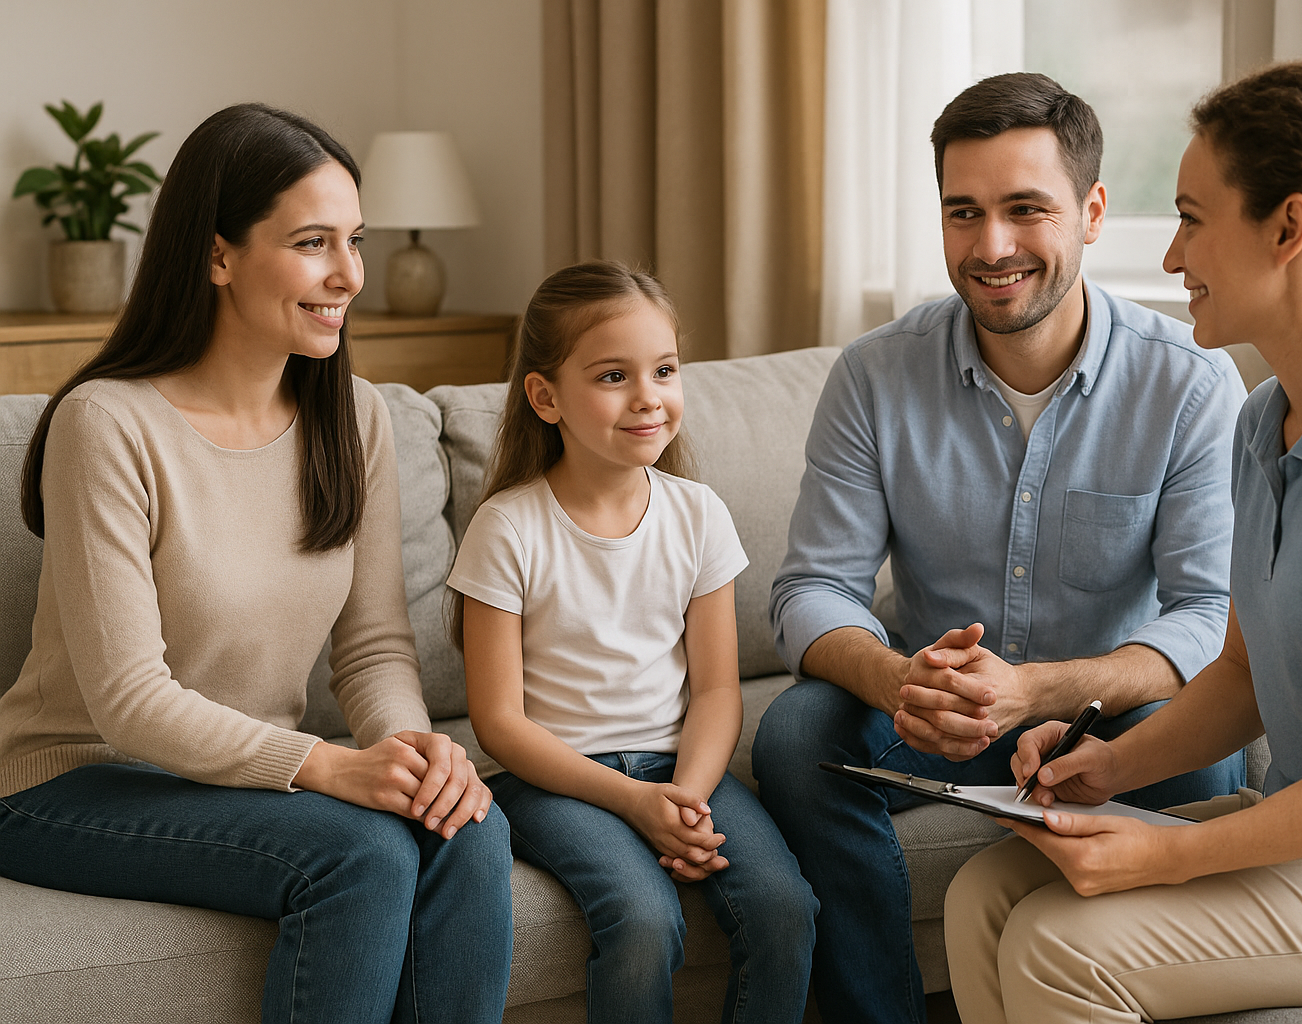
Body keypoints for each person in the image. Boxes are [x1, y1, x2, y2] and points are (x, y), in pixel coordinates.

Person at [945, 59, 1302, 1023]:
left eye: (1189, 217)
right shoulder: (1266, 423)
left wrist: (1174, 850)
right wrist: (1110, 765)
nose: (1173, 258)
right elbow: (1245, 673)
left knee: (1060, 949)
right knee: (986, 893)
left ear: (1288, 229)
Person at [0, 104, 515, 1024]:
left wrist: (410, 747)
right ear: (217, 255)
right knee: (363, 853)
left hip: (233, 780)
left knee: (467, 828)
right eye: (313, 242)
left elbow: (373, 646)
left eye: (354, 240)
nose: (347, 275)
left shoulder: (352, 417)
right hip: (73, 780)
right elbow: (127, 698)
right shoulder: (108, 424)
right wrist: (323, 764)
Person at [753, 72, 1248, 1023]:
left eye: (1027, 210)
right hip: (933, 713)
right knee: (796, 735)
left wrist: (1041, 689)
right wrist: (901, 681)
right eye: (963, 212)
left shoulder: (1190, 386)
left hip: (1107, 713)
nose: (992, 247)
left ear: (1093, 211)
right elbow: (813, 586)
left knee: (1210, 764)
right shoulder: (872, 376)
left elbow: (1210, 616)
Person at [449, 261, 817, 1024]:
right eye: (614, 375)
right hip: (556, 779)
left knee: (785, 908)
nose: (649, 396)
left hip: (679, 767)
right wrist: (634, 801)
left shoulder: (699, 513)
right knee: (645, 922)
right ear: (546, 397)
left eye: (665, 370)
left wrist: (682, 792)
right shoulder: (508, 528)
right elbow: (499, 725)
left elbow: (717, 689)